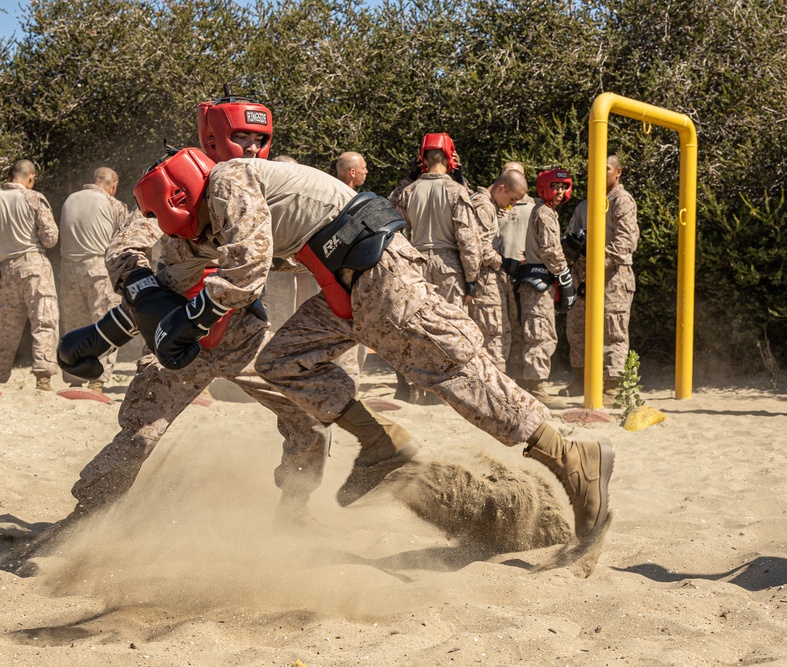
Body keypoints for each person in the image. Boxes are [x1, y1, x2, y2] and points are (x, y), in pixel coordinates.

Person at [131, 148, 614, 545]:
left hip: (378, 275)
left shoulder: (228, 182)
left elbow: (248, 268)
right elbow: (244, 261)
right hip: (347, 285)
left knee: (452, 369)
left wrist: (194, 318)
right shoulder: (231, 191)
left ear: (176, 195)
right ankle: (381, 444)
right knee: (281, 360)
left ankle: (568, 453)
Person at [3, 99, 331, 570]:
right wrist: (140, 286)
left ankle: (294, 511)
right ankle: (82, 519)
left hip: (244, 334)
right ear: (215, 139)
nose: (253, 149)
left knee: (309, 416)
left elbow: (294, 249)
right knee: (140, 435)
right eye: (244, 138)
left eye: (261, 140)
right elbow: (124, 247)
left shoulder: (264, 191)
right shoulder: (176, 180)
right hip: (179, 338)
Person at [392, 133, 479, 403]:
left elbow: (394, 223)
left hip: (416, 262)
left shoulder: (408, 191)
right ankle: (446, 388)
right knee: (449, 327)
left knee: (415, 325)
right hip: (448, 264)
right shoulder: (456, 191)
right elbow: (467, 238)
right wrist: (472, 277)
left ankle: (413, 384)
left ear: (423, 159)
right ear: (450, 158)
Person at [561, 154, 639, 399]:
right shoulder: (585, 205)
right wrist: (574, 247)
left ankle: (613, 385)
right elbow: (569, 235)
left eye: (606, 168)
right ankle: (581, 378)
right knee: (577, 327)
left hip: (613, 275)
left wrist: (598, 260)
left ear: (618, 172)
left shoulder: (622, 201)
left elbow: (626, 242)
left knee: (612, 329)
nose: (600, 173)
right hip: (583, 274)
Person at [0, 159, 59, 391]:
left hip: (8, 267)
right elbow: (50, 238)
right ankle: (43, 378)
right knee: (44, 321)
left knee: (6, 325)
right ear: (31, 178)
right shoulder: (33, 198)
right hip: (34, 264)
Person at [58, 167, 130, 393]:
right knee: (105, 324)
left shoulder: (70, 200)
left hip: (68, 269)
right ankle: (98, 380)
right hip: (98, 268)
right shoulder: (113, 204)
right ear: (114, 185)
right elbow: (125, 238)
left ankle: (74, 376)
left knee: (74, 324)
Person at [515, 169, 577, 409]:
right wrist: (565, 277)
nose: (560, 192)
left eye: (564, 187)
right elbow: (550, 251)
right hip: (539, 282)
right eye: (555, 186)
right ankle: (536, 386)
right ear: (544, 187)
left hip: (538, 280)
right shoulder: (544, 213)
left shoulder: (545, 211)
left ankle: (530, 383)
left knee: (536, 331)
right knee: (540, 333)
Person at [469, 167, 530, 370]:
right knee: (493, 336)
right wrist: (505, 263)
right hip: (484, 280)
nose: (512, 206)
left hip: (489, 278)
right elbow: (480, 247)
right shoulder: (483, 206)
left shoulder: (489, 206)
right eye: (512, 199)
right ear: (501, 188)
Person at [496, 161, 535, 384]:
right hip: (498, 273)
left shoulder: (535, 207)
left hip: (525, 273)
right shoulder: (494, 205)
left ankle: (523, 376)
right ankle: (505, 375)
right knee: (500, 326)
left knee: (525, 326)